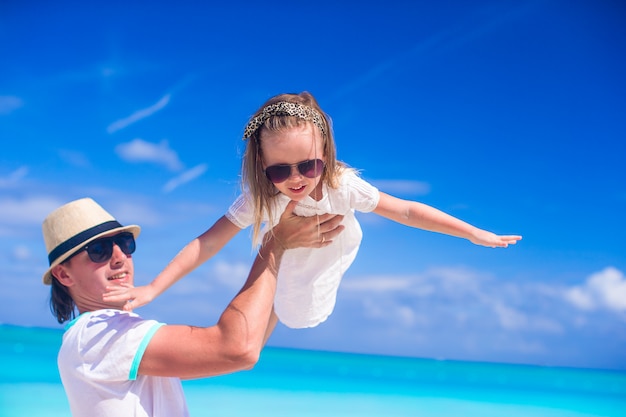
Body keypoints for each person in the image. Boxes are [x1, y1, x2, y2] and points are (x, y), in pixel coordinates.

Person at [104, 91, 522, 330]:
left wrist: (472, 232)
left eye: (309, 165)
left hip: (339, 243)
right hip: (295, 257)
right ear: (261, 167)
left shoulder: (342, 183)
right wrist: (153, 289)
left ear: (326, 155)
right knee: (294, 317)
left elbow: (407, 211)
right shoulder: (261, 198)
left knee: (303, 308)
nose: (297, 179)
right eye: (280, 170)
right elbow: (208, 242)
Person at [42, 197, 344, 416]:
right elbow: (235, 348)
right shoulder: (98, 334)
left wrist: (290, 256)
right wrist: (274, 245)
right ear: (64, 274)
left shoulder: (97, 338)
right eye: (99, 250)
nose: (120, 256)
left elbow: (249, 345)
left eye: (124, 243)